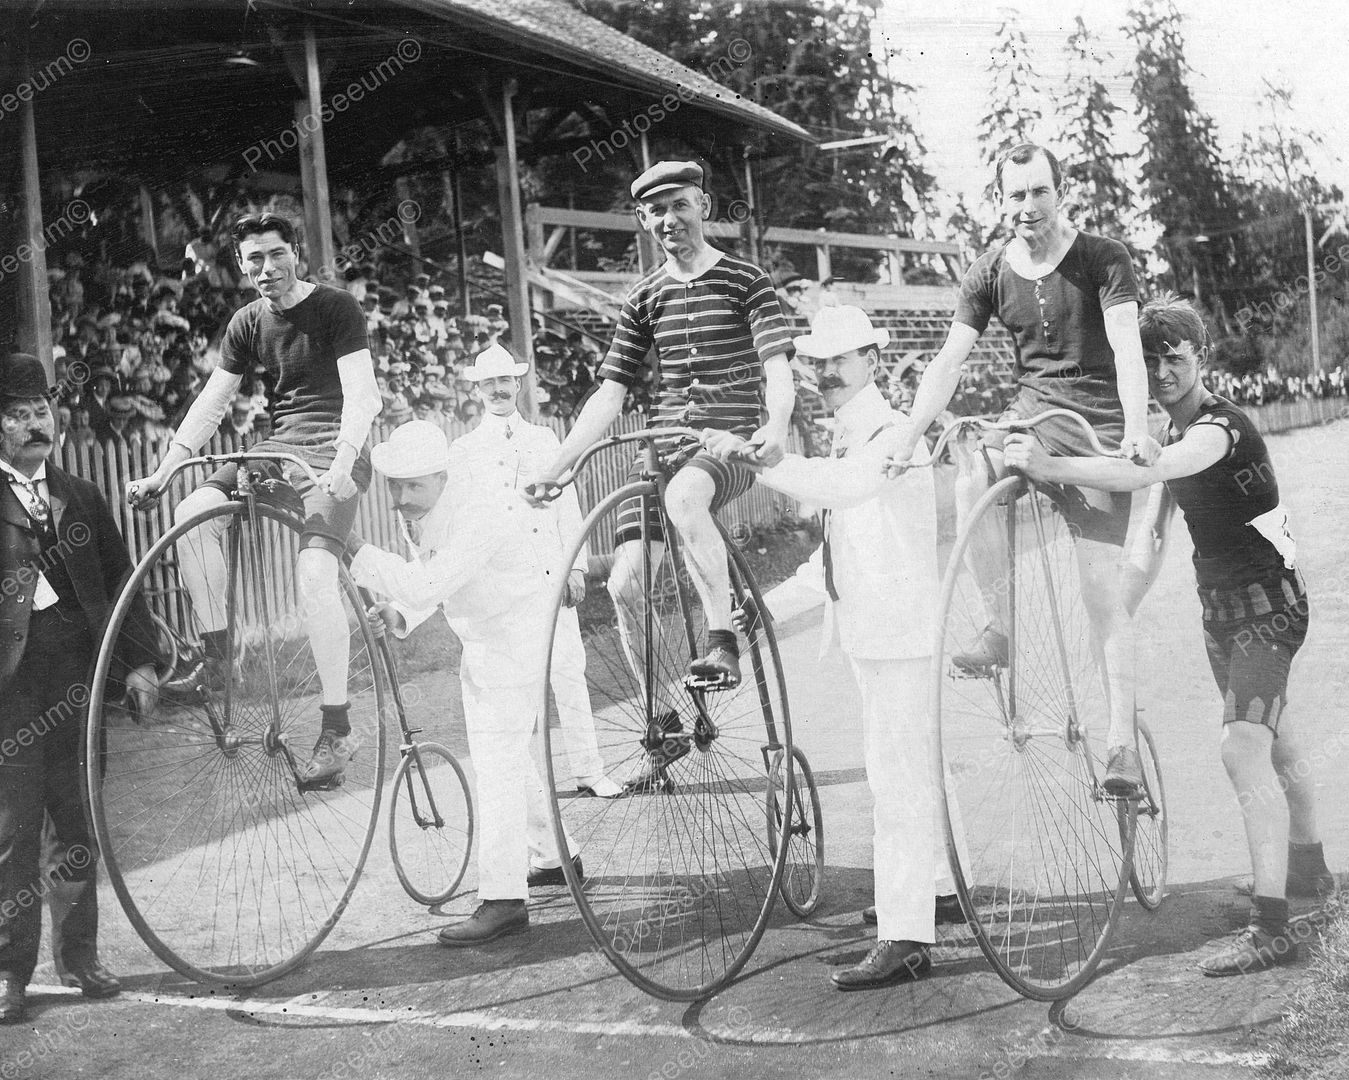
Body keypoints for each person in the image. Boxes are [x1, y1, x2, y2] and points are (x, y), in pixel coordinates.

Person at [1002, 294, 1336, 976]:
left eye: (1174, 360)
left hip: (1269, 611)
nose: (1161, 374)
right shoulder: (1173, 436)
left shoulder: (1219, 432)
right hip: (1222, 611)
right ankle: (1310, 871)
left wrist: (1052, 467)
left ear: (1199, 358)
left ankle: (1271, 930)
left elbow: (1149, 473)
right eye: (1148, 362)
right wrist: (1113, 615)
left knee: (1241, 749)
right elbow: (1150, 532)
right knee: (1277, 742)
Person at [887, 142, 1160, 796]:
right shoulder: (986, 273)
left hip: (1098, 428)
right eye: (1016, 195)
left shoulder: (1102, 258)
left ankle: (1119, 746)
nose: (1028, 206)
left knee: (1102, 599)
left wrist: (1133, 433)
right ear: (1001, 201)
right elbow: (948, 362)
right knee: (971, 463)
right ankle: (999, 626)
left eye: (1039, 192)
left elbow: (1125, 347)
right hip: (1032, 413)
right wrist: (906, 435)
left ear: (1060, 192)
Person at [703, 308, 961, 990]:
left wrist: (770, 465)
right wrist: (765, 606)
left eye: (838, 360)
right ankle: (935, 888)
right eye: (814, 363)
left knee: (896, 783)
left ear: (872, 358)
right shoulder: (854, 433)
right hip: (879, 632)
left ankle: (904, 935)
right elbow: (838, 557)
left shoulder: (891, 431)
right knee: (911, 770)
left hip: (900, 635)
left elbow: (847, 488)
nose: (823, 374)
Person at [526, 160, 795, 780]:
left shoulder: (745, 280)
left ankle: (722, 641)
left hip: (724, 444)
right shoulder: (644, 297)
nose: (669, 220)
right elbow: (610, 395)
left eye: (680, 205)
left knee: (684, 500)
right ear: (643, 221)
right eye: (655, 212)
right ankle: (664, 716)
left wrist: (774, 426)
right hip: (663, 446)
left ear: (703, 203)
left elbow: (776, 365)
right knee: (624, 584)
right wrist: (563, 461)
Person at [128, 212, 382, 787]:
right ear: (241, 268)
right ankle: (222, 654)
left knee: (316, 575)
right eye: (253, 261)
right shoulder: (246, 322)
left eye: (275, 255)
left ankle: (337, 728)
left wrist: (343, 465)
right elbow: (212, 403)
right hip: (277, 445)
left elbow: (362, 395)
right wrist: (165, 472)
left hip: (331, 446)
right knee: (191, 514)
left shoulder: (336, 308)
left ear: (296, 251)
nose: (266, 269)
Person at [350, 422, 579, 944]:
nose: (402, 498)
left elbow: (429, 579)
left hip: (519, 628)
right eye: (395, 485)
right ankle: (557, 856)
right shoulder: (428, 509)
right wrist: (400, 611)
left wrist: (356, 549)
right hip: (486, 632)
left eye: (415, 486)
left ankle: (503, 899)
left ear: (442, 477)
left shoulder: (479, 512)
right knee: (510, 751)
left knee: (496, 760)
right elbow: (434, 579)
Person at [0, 353, 159, 1023]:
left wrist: (140, 663)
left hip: (78, 678)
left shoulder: (82, 495)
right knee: (10, 831)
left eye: (42, 410)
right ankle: (10, 974)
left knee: (78, 821)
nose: (37, 423)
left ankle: (81, 957)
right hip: (9, 690)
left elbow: (124, 583)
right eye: (18, 414)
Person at [453, 343, 622, 800]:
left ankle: (589, 769)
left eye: (504, 381)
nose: (497, 390)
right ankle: (528, 787)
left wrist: (577, 567)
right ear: (477, 389)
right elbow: (466, 519)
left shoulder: (546, 440)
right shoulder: (466, 450)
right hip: (504, 584)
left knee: (568, 668)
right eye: (488, 383)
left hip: (550, 572)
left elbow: (569, 508)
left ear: (518, 384)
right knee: (514, 686)